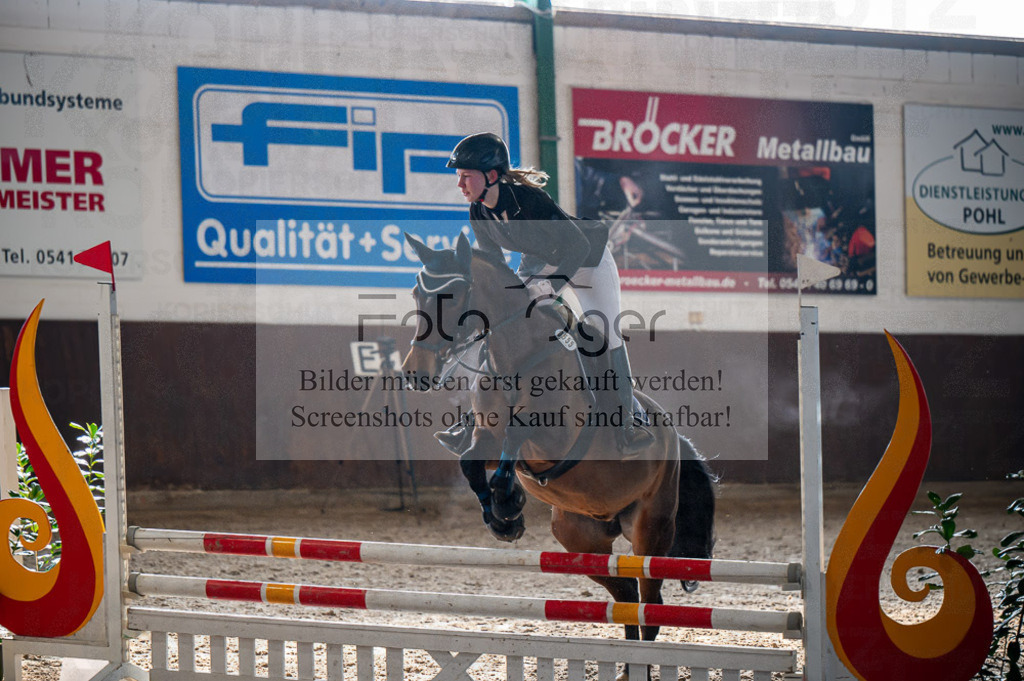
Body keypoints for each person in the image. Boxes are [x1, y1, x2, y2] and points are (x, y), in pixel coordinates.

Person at [437, 132, 654, 454]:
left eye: (466, 176)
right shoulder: (479, 212)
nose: (460, 185)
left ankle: (628, 421)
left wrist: (551, 287)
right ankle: (474, 419)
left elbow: (577, 245)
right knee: (503, 327)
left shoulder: (528, 199)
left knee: (607, 335)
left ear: (491, 176)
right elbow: (496, 263)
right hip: (540, 264)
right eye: (459, 177)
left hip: (589, 261)